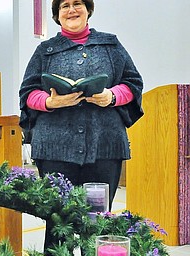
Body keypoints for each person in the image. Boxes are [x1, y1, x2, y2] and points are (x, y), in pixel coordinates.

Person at [19, 0, 143, 254]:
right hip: (55, 149)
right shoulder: (45, 50)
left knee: (97, 224)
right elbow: (28, 93)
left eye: (78, 3)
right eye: (64, 5)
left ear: (88, 10)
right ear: (56, 15)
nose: (71, 9)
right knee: (57, 224)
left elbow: (133, 83)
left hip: (104, 146)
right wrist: (51, 102)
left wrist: (111, 96)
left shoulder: (111, 45)